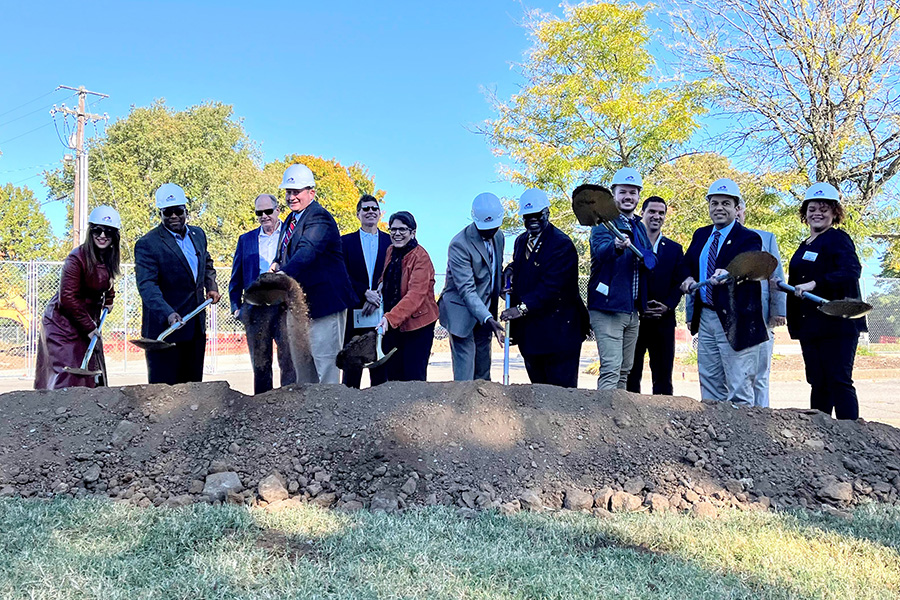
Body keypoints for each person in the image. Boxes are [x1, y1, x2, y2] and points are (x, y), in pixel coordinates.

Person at [679, 178, 766, 405]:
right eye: (714, 203)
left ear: (737, 208)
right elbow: (687, 263)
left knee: (739, 383)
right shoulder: (701, 235)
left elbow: (748, 264)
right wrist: (687, 277)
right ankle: (715, 434)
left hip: (736, 318)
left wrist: (728, 272)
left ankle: (742, 434)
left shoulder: (748, 238)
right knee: (709, 380)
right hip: (706, 316)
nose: (719, 208)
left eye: (726, 203)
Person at [270, 164, 356, 384]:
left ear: (311, 192)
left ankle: (329, 415)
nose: (291, 197)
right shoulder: (290, 220)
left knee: (326, 365)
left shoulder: (320, 218)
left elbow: (306, 253)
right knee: (303, 367)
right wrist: (277, 263)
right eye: (288, 192)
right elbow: (286, 253)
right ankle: (309, 416)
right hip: (301, 306)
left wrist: (279, 277)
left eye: (296, 192)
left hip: (325, 304)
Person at [786, 182, 866, 420]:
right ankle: (822, 433)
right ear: (805, 213)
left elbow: (851, 270)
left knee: (839, 380)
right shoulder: (804, 245)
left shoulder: (838, 239)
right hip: (811, 325)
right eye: (812, 209)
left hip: (837, 322)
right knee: (818, 382)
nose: (817, 213)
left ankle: (850, 436)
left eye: (824, 208)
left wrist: (815, 283)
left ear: (834, 213)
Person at [501, 189, 589, 387]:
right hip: (531, 336)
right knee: (538, 392)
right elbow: (525, 266)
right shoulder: (521, 241)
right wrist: (510, 271)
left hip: (559, 335)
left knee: (560, 396)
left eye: (537, 215)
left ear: (547, 213)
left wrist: (520, 309)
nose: (533, 220)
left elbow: (553, 288)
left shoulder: (561, 245)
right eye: (528, 216)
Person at [135, 183, 220, 385]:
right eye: (168, 212)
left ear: (185, 211)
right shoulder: (148, 244)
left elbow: (207, 263)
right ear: (161, 214)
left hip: (194, 328)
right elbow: (147, 286)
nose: (174, 216)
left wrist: (212, 285)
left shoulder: (198, 235)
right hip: (166, 333)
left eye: (178, 211)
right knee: (164, 393)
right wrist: (168, 313)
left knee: (192, 389)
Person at [35, 206, 122, 390]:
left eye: (108, 231)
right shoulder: (76, 259)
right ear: (91, 231)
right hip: (63, 324)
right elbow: (67, 298)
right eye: (97, 230)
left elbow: (109, 282)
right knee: (68, 375)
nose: (102, 235)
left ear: (114, 235)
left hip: (86, 320)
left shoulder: (109, 257)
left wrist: (109, 299)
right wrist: (89, 327)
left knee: (91, 370)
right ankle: (61, 414)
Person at [586, 168, 656, 390]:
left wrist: (649, 258)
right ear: (613, 194)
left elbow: (648, 256)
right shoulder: (603, 224)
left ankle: (618, 422)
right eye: (623, 191)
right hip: (608, 309)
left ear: (638, 196)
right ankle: (602, 420)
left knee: (625, 371)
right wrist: (616, 247)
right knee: (611, 370)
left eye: (633, 192)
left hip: (632, 311)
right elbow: (600, 252)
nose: (628, 197)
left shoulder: (639, 226)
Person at [228, 194, 295, 394]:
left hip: (285, 307)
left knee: (289, 362)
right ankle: (262, 409)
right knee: (260, 364)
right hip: (255, 310)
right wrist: (236, 308)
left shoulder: (290, 235)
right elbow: (236, 276)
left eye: (268, 211)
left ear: (278, 210)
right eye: (259, 213)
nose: (264, 216)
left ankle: (289, 404)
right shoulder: (246, 240)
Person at [438, 192, 506, 381]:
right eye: (485, 228)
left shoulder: (499, 236)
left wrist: (503, 285)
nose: (490, 232)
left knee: (483, 371)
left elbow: (494, 270)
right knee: (465, 375)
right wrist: (488, 318)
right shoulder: (459, 244)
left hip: (486, 310)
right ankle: (461, 409)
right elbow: (466, 290)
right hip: (461, 312)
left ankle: (483, 409)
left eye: (494, 227)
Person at [626, 196, 683, 395]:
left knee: (663, 377)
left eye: (661, 213)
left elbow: (679, 283)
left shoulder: (675, 249)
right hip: (635, 320)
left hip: (663, 322)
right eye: (652, 211)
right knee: (631, 375)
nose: (656, 216)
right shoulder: (630, 244)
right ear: (642, 213)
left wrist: (667, 305)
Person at [374, 211, 440, 382]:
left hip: (418, 325)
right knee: (394, 375)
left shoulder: (421, 257)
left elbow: (416, 295)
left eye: (402, 229)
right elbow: (386, 275)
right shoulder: (390, 250)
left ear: (413, 232)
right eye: (393, 229)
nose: (397, 234)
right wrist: (381, 286)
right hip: (394, 324)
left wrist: (389, 318)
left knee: (414, 377)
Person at [736, 198, 786, 408]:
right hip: (727, 317)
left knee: (759, 373)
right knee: (733, 374)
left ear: (743, 212)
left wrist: (778, 310)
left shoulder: (765, 238)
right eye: (732, 207)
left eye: (739, 208)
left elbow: (777, 278)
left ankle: (761, 415)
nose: (736, 213)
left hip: (760, 317)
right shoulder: (713, 238)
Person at [341, 194, 391, 388]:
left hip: (382, 312)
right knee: (352, 369)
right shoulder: (345, 242)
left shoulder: (390, 242)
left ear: (379, 214)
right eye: (366, 209)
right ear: (358, 214)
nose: (370, 211)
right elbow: (341, 274)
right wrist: (364, 292)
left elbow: (394, 273)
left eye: (374, 208)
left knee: (380, 371)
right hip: (354, 312)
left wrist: (377, 295)